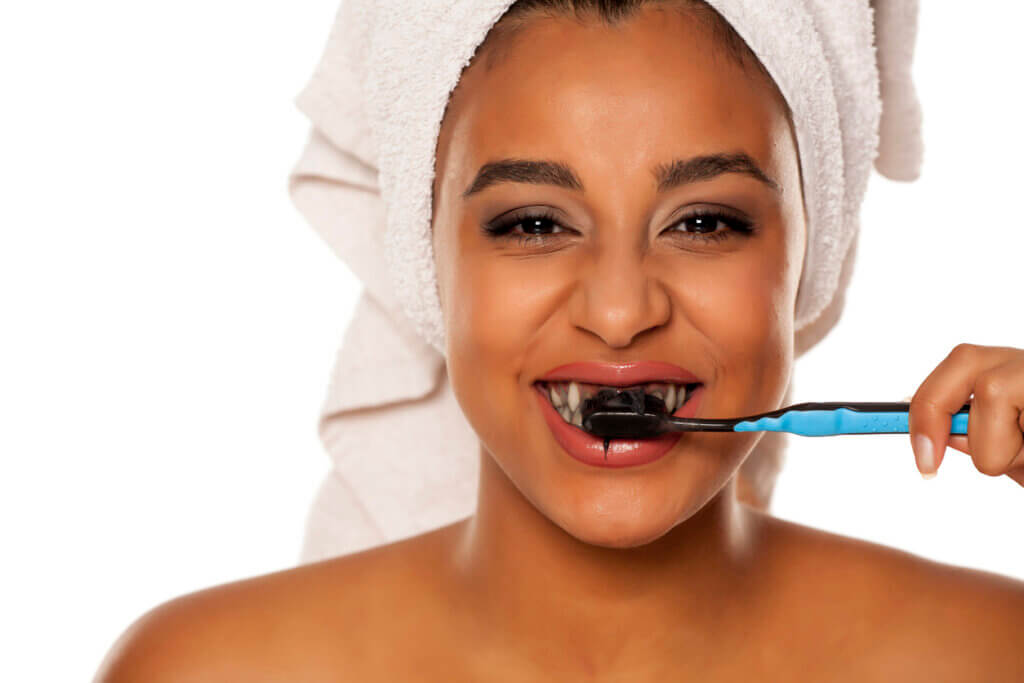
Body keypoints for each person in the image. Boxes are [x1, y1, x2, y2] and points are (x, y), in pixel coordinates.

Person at [94, 2, 1024, 680]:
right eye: (533, 222)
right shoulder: (200, 670)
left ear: (810, 255)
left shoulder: (987, 656)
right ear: (427, 263)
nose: (620, 313)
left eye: (704, 223)